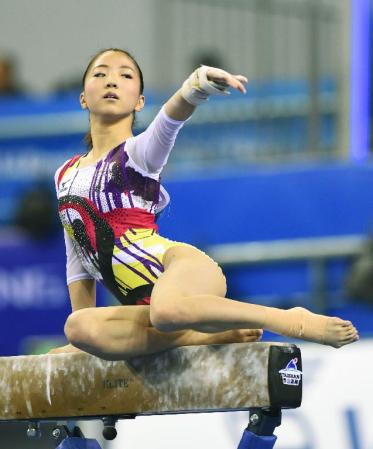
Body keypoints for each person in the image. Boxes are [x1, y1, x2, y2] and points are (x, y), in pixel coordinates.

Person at [51, 48, 358, 359]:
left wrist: (196, 87)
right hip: (147, 313)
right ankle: (191, 337)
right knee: (78, 326)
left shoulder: (137, 154)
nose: (111, 81)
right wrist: (82, 348)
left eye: (125, 75)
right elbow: (78, 262)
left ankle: (290, 318)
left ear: (139, 101)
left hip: (182, 271)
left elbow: (170, 119)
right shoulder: (64, 174)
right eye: (100, 74)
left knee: (166, 311)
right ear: (82, 98)